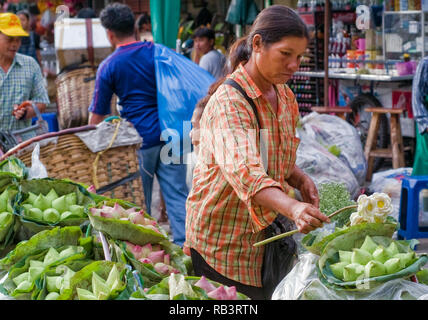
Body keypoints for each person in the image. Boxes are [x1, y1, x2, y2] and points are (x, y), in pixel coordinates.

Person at [184, 5, 330, 300]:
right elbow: (248, 174)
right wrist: (293, 208)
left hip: (264, 241)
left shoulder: (285, 95)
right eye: (285, 54)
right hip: (223, 245)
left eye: (299, 57)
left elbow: (276, 154)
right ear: (258, 44)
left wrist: (298, 178)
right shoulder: (230, 102)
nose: (293, 65)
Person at [88, 3, 189, 247]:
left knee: (138, 204)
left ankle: (149, 255)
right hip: (172, 137)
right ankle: (188, 249)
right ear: (135, 27)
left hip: (139, 143)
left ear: (109, 34)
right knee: (177, 196)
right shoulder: (159, 52)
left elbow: (96, 118)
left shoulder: (109, 66)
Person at [0, 13, 49, 138]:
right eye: (10, 39)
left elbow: (42, 102)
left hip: (23, 142)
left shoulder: (30, 65)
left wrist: (26, 112)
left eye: (18, 39)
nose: (15, 44)